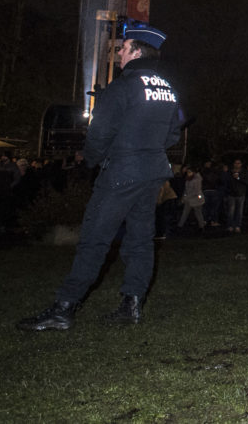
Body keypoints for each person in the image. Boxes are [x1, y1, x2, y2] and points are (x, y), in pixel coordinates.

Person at [18, 23, 182, 330]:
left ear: (136, 51)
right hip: (152, 174)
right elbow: (174, 132)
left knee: (94, 240)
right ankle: (131, 306)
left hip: (121, 173)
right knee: (140, 241)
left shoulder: (122, 86)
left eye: (123, 48)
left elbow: (99, 134)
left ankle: (64, 309)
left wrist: (91, 160)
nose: (119, 53)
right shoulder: (168, 89)